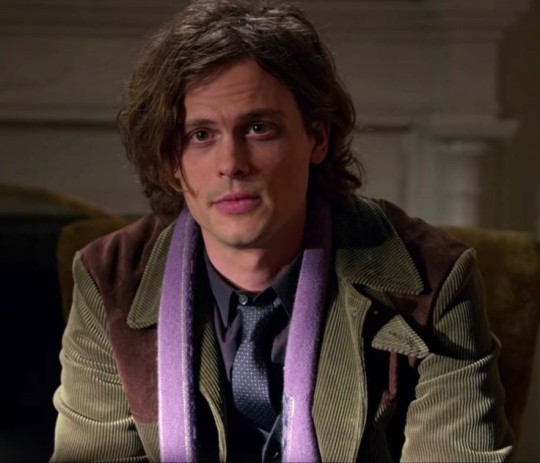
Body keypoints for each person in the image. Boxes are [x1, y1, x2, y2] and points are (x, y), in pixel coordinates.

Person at [51, 0, 514, 461]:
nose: (232, 164)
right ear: (172, 161)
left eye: (258, 128)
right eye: (201, 135)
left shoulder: (433, 278)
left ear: (317, 138)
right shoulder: (109, 279)